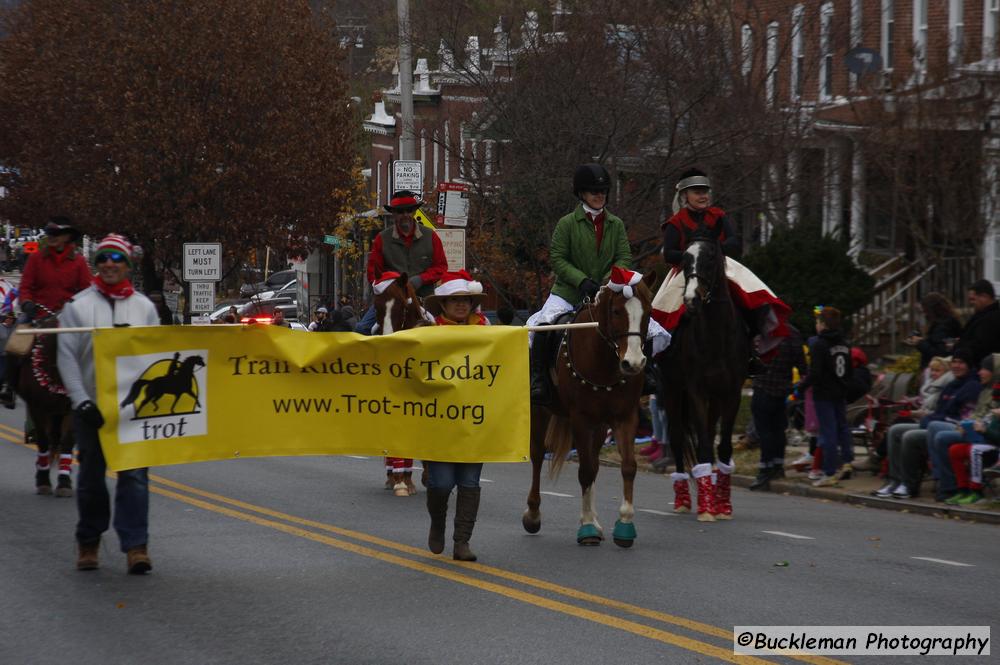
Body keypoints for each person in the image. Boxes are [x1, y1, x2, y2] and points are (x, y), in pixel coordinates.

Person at [56, 234, 160, 573]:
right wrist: (81, 401)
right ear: (96, 263)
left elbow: (155, 354)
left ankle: (136, 546)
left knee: (135, 478)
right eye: (104, 258)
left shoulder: (144, 307)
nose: (110, 263)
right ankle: (88, 542)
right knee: (90, 479)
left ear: (128, 264)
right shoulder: (78, 307)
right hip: (92, 408)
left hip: (131, 411)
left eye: (117, 258)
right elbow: (67, 357)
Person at [526, 163, 670, 403]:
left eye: (602, 192)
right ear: (582, 194)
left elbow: (624, 256)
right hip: (568, 292)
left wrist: (608, 280)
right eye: (594, 192)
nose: (599, 196)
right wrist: (580, 280)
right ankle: (539, 380)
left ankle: (648, 374)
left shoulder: (616, 224)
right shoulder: (566, 224)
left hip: (607, 290)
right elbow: (558, 259)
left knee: (647, 324)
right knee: (543, 326)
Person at [653, 169, 790, 375]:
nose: (703, 196)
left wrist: (713, 252)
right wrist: (693, 256)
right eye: (697, 192)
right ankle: (661, 358)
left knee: (753, 301)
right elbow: (669, 254)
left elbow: (734, 242)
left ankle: (751, 350)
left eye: (705, 191)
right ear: (684, 195)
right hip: (687, 270)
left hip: (719, 265)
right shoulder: (676, 222)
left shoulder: (718, 216)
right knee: (663, 313)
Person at [421, 271, 489, 560]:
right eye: (455, 300)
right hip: (440, 422)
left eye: (466, 300)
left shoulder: (487, 331)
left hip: (475, 421)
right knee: (441, 484)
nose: (461, 305)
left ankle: (462, 542)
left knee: (470, 483)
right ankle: (438, 522)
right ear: (443, 304)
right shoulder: (428, 332)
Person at [0, 217, 92, 408]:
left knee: (93, 343)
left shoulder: (79, 262)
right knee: (14, 344)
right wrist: (26, 302)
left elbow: (87, 291)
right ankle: (8, 387)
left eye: (56, 234)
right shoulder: (36, 259)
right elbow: (26, 286)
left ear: (67, 237)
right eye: (49, 233)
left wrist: (77, 305)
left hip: (68, 317)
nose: (51, 237)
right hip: (38, 314)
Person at [876, 350, 981, 499]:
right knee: (895, 429)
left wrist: (929, 419)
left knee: (910, 436)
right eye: (955, 362)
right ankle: (895, 480)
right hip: (934, 423)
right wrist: (928, 418)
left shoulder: (972, 386)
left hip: (952, 428)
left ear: (970, 366)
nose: (957, 366)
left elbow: (960, 417)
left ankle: (909, 484)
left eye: (962, 363)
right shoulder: (951, 385)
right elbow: (939, 411)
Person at [355, 190, 448, 334]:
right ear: (394, 214)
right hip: (390, 298)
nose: (405, 215)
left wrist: (421, 279)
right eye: (400, 211)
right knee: (362, 329)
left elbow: (441, 266)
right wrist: (388, 287)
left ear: (414, 212)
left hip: (424, 296)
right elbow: (373, 273)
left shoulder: (431, 236)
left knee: (445, 331)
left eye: (409, 210)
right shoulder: (382, 239)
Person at [926, 353, 996, 501]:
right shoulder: (985, 389)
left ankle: (946, 484)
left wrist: (969, 424)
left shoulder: (979, 387)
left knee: (938, 432)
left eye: (985, 369)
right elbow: (975, 414)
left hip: (987, 435)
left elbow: (986, 418)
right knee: (903, 432)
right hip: (972, 428)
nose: (980, 372)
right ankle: (900, 482)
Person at [797, 307, 852, 487]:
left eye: (818, 322)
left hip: (824, 393)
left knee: (828, 432)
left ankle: (829, 472)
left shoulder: (819, 344)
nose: (816, 325)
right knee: (842, 427)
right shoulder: (844, 343)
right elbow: (849, 369)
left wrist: (800, 387)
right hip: (840, 391)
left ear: (823, 325)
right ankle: (847, 461)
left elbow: (815, 372)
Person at [749, 324, 807, 490]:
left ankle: (765, 470)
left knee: (765, 431)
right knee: (778, 429)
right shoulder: (793, 333)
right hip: (783, 390)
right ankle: (777, 466)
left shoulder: (763, 332)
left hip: (763, 386)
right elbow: (802, 366)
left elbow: (753, 358)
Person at [903, 292, 962, 369]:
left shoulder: (943, 327)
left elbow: (940, 353)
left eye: (925, 311)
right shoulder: (947, 322)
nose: (925, 315)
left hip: (937, 369)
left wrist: (920, 343)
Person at [954, 279, 1000, 367]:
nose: (971, 303)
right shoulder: (982, 315)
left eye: (973, 299)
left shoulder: (991, 319)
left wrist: (960, 345)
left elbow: (981, 346)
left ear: (984, 296)